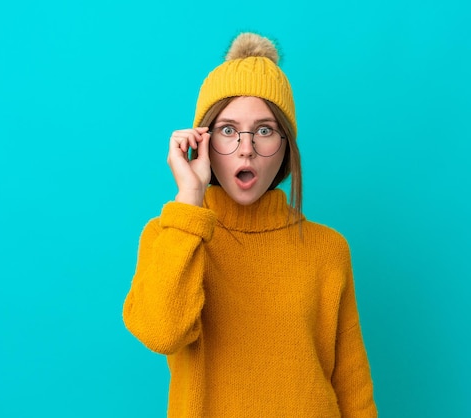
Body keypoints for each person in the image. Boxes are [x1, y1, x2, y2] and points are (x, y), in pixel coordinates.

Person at [123, 32, 377, 417]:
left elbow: (352, 387)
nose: (246, 148)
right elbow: (162, 331)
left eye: (264, 130)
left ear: (286, 147)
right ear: (200, 142)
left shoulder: (327, 249)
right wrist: (189, 198)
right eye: (227, 130)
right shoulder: (171, 235)